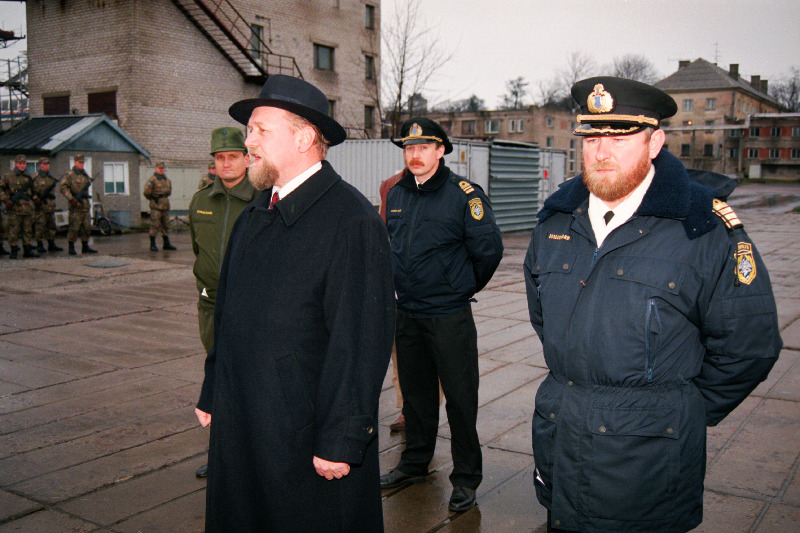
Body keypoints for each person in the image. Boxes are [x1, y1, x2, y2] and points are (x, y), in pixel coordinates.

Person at [524, 77, 782, 533]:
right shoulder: (555, 222)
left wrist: (675, 410)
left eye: (620, 137)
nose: (602, 151)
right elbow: (546, 319)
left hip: (646, 468)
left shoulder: (702, 228)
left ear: (655, 141)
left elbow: (749, 345)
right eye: (592, 137)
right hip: (560, 442)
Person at [195, 74, 394, 532]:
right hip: (244, 416)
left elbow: (361, 342)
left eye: (261, 130)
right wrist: (213, 389)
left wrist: (342, 438)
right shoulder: (256, 212)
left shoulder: (352, 222)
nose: (249, 142)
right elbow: (226, 316)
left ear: (304, 137)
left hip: (301, 433)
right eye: (250, 131)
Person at [380, 117, 504, 513]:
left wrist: (459, 288)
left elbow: (489, 251)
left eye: (423, 148)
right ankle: (415, 462)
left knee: (460, 400)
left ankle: (466, 479)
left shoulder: (463, 194)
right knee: (415, 399)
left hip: (448, 316)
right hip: (408, 313)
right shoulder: (397, 192)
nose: (414, 155)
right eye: (409, 148)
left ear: (441, 151)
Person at [189, 126, 258, 480]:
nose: (226, 163)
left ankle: (252, 456)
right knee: (217, 379)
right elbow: (199, 251)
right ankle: (222, 456)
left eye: (233, 156)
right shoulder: (201, 200)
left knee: (250, 382)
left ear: (247, 159)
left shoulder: (262, 198)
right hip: (211, 303)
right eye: (220, 157)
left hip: (250, 306)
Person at [0, 155, 39, 259]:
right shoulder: (8, 175)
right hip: (14, 208)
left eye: (24, 163)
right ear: (16, 164)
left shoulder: (29, 177)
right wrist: (5, 199)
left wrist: (35, 198)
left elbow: (33, 191)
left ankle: (27, 249)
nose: (23, 165)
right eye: (21, 163)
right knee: (14, 230)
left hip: (27, 208)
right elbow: (1, 188)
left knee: (27, 230)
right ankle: (13, 250)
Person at [59, 154, 98, 255]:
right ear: (75, 162)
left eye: (82, 162)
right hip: (75, 206)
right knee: (74, 227)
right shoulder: (70, 175)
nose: (81, 164)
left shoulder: (85, 174)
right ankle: (71, 247)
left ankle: (85, 246)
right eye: (80, 162)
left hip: (85, 206)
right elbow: (63, 187)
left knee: (86, 227)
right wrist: (71, 198)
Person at [32, 157, 64, 253]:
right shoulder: (35, 178)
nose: (46, 166)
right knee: (40, 226)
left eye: (47, 164)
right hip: (41, 207)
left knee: (51, 226)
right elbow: (29, 190)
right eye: (44, 164)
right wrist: (35, 198)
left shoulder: (51, 178)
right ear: (40, 165)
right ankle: (40, 244)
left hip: (50, 206)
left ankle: (51, 243)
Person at [143, 162, 176, 251]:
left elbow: (169, 192)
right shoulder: (152, 180)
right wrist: (153, 198)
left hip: (165, 205)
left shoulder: (167, 180)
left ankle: (166, 243)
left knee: (165, 224)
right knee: (155, 225)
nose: (161, 170)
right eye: (159, 168)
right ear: (156, 168)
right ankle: (153, 244)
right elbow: (146, 192)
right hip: (156, 206)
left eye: (162, 168)